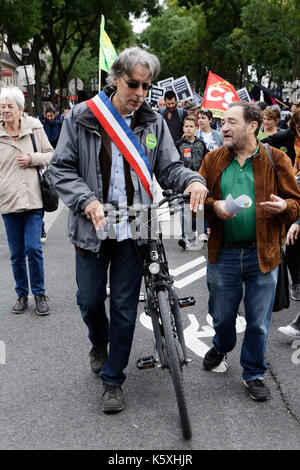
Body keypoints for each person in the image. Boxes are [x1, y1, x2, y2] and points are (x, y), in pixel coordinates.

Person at [49, 47, 207, 414]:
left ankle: (113, 379)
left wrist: (193, 179)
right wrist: (86, 199)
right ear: (116, 79)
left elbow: (169, 167)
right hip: (93, 221)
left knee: (123, 306)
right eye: (133, 84)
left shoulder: (152, 123)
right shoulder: (82, 116)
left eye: (145, 86)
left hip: (139, 221)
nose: (139, 92)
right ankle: (98, 341)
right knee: (89, 301)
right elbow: (59, 169)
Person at [199, 101, 300, 401]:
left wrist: (285, 208)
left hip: (264, 255)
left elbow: (296, 205)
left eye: (231, 122)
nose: (224, 128)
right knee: (221, 316)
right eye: (222, 123)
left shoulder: (275, 158)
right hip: (223, 254)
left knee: (258, 321)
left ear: (252, 126)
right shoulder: (213, 159)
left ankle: (253, 372)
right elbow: (197, 203)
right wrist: (213, 207)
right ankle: (221, 344)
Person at [0, 87, 53, 315]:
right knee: (16, 252)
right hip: (8, 201)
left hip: (33, 200)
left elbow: (52, 154)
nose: (5, 111)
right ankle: (22, 294)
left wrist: (33, 158)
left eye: (10, 106)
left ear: (21, 109)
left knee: (33, 249)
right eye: (2, 107)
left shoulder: (34, 128)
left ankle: (39, 294)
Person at [263, 110, 300, 300]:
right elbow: (261, 146)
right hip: (286, 193)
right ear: (294, 125)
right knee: (289, 241)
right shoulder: (284, 137)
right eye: (298, 127)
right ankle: (296, 282)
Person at [176, 115, 208, 249]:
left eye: (191, 126)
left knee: (200, 205)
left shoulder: (201, 143)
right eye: (186, 126)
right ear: (183, 128)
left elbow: (206, 159)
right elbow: (176, 163)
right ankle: (186, 236)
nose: (188, 129)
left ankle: (202, 233)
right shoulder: (179, 144)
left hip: (199, 181)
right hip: (185, 182)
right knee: (185, 209)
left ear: (196, 128)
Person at [196, 109, 223, 242]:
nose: (200, 120)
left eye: (203, 118)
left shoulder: (218, 136)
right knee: (203, 200)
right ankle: (202, 231)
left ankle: (214, 228)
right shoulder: (195, 134)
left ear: (210, 120)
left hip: (217, 171)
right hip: (201, 172)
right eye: (199, 118)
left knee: (216, 199)